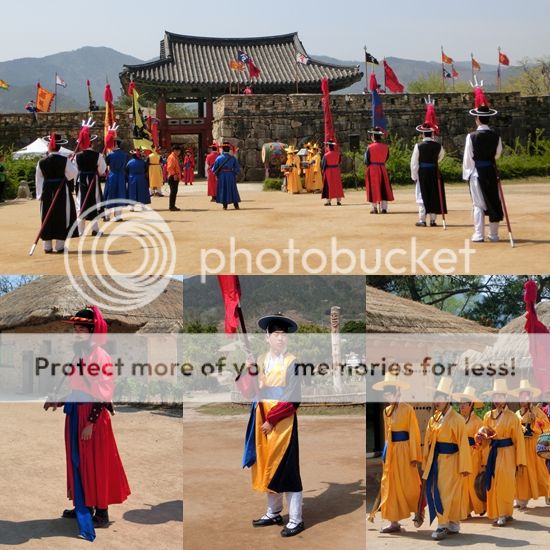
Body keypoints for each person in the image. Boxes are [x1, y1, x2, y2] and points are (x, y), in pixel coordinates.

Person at [44, 306, 130, 541]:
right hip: (75, 414)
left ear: (92, 331)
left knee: (96, 463)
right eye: (76, 329)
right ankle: (83, 504)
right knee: (79, 462)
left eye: (82, 329)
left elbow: (103, 392)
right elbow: (78, 389)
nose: (77, 333)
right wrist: (58, 401)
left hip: (93, 418)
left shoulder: (100, 356)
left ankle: (101, 512)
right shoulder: (79, 355)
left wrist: (91, 422)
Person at [237, 313, 304, 538]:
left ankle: (296, 519)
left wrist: (272, 419)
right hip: (261, 417)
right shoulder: (260, 359)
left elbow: (293, 397)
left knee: (287, 468)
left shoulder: (293, 362)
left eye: (283, 334)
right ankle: (274, 512)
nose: (280, 338)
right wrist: (248, 370)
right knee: (268, 465)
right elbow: (249, 391)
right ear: (267, 337)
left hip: (282, 421)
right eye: (275, 334)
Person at [372, 372, 421, 534]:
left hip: (405, 451)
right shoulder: (386, 411)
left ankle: (418, 509)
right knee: (390, 485)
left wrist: (414, 455)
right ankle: (393, 522)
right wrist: (385, 454)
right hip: (391, 452)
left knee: (409, 484)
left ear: (398, 392)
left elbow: (414, 432)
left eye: (391, 393)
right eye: (386, 393)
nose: (388, 396)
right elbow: (387, 435)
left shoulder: (408, 409)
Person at [423, 377, 472, 540]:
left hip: (452, 461)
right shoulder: (434, 419)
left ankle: (444, 525)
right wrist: (426, 461)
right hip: (437, 460)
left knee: (445, 493)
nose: (437, 401)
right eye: (436, 397)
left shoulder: (457, 419)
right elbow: (428, 441)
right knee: (440, 491)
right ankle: (450, 523)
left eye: (440, 398)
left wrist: (465, 466)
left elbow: (463, 443)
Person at [479, 379, 526, 526]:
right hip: (493, 452)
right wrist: (482, 436)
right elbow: (485, 434)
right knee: (494, 482)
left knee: (506, 482)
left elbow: (519, 439)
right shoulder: (488, 415)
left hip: (508, 453)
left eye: (500, 396)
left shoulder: (512, 417)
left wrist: (520, 461)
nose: (497, 400)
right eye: (495, 396)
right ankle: (496, 512)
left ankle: (504, 512)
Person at [462, 91, 503, 242]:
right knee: (493, 201)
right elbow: (497, 154)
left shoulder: (471, 136)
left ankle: (479, 234)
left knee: (478, 204)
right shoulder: (496, 136)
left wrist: (467, 174)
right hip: (491, 171)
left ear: (478, 119)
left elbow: (468, 158)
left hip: (477, 173)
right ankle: (494, 234)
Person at [35, 133, 78, 253]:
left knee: (46, 215)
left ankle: (47, 246)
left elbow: (39, 179)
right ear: (60, 147)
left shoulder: (41, 162)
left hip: (47, 190)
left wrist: (40, 195)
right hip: (61, 189)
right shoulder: (65, 160)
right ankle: (59, 246)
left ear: (49, 145)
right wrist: (65, 174)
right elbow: (73, 174)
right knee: (61, 214)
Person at [511, 380, 550, 509]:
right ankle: (521, 498)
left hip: (534, 445)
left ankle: (548, 493)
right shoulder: (516, 414)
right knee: (521, 471)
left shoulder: (537, 411)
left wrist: (536, 420)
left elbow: (546, 426)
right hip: (521, 446)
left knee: (540, 471)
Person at [452, 385, 486, 519]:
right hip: (461, 454)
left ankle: (480, 506)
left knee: (472, 483)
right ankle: (464, 510)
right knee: (462, 484)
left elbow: (484, 442)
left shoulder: (478, 421)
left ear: (471, 404)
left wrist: (483, 461)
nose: (462, 406)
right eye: (460, 403)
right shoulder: (458, 420)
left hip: (473, 455)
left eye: (464, 403)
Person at [411, 122, 446, 227]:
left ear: (422, 134)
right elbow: (441, 157)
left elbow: (414, 163)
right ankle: (433, 220)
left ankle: (422, 219)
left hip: (423, 172)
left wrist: (414, 176)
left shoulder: (418, 146)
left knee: (422, 194)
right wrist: (433, 162)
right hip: (434, 171)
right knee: (433, 194)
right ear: (432, 134)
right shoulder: (438, 146)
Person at [75, 125, 106, 236]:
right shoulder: (98, 155)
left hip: (81, 180)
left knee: (81, 203)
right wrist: (96, 172)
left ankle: (80, 231)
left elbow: (75, 170)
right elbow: (102, 169)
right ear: (91, 143)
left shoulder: (77, 156)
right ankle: (95, 229)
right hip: (93, 179)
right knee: (94, 202)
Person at [365, 127, 394, 214]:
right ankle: (384, 208)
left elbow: (366, 160)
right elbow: (387, 157)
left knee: (373, 188)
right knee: (383, 187)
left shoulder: (369, 147)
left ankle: (374, 208)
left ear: (373, 136)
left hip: (372, 169)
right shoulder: (386, 147)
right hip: (382, 168)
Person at [104, 139, 128, 222]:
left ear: (115, 145)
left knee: (110, 195)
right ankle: (118, 216)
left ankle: (107, 216)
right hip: (121, 176)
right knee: (120, 194)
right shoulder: (124, 154)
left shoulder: (110, 155)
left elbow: (106, 164)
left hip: (112, 176)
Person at [213, 143, 241, 210]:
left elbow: (214, 169)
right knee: (232, 189)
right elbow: (237, 168)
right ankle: (236, 205)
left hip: (222, 176)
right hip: (230, 175)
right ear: (229, 150)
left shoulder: (218, 158)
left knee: (223, 189)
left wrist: (218, 174)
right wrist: (233, 173)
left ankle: (225, 206)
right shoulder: (233, 158)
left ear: (222, 149)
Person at [321, 141, 344, 206]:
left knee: (328, 186)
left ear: (328, 146)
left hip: (329, 171)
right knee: (337, 185)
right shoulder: (338, 154)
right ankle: (338, 201)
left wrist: (323, 171)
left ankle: (328, 201)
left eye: (327, 146)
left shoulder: (326, 155)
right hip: (336, 170)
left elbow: (323, 164)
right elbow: (339, 161)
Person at [166, 144, 182, 211]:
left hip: (175, 176)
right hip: (173, 176)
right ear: (175, 150)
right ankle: (171, 206)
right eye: (178, 151)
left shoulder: (175, 157)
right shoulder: (172, 157)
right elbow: (169, 168)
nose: (179, 152)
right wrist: (174, 174)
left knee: (174, 192)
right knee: (173, 192)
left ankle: (172, 205)